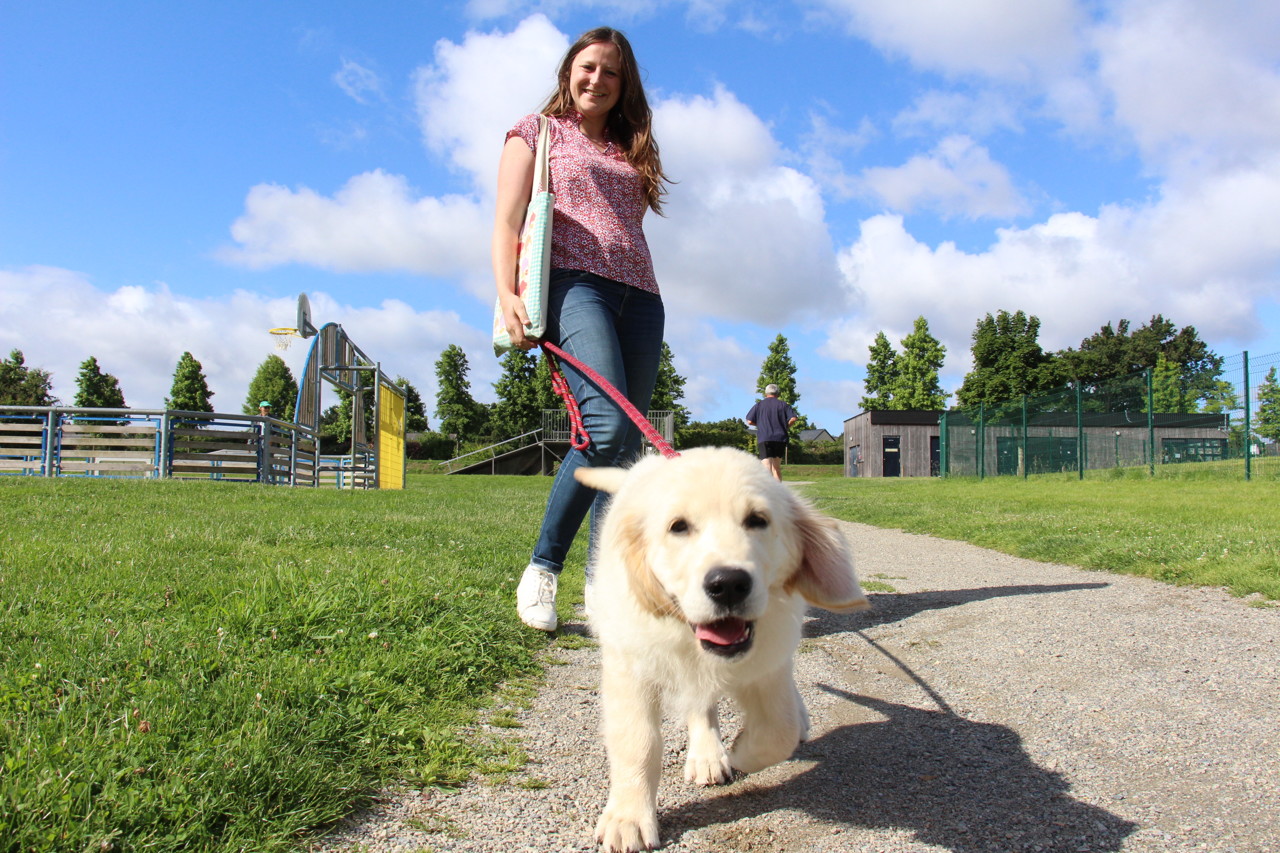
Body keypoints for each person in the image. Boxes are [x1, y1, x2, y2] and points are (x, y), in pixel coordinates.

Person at [492, 27, 670, 632]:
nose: (596, 80)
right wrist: (507, 293)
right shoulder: (535, 133)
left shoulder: (631, 148)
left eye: (611, 72)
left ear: (625, 86)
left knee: (626, 443)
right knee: (605, 424)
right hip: (573, 286)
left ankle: (604, 584)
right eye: (587, 67)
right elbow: (507, 221)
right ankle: (543, 569)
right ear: (569, 70)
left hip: (642, 297)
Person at [745, 384, 798, 482]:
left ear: (766, 393)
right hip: (780, 438)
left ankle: (768, 493)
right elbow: (793, 418)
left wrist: (760, 425)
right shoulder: (783, 405)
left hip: (765, 437)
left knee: (766, 467)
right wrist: (786, 427)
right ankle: (778, 493)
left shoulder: (759, 405)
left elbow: (749, 421)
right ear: (778, 393)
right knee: (776, 468)